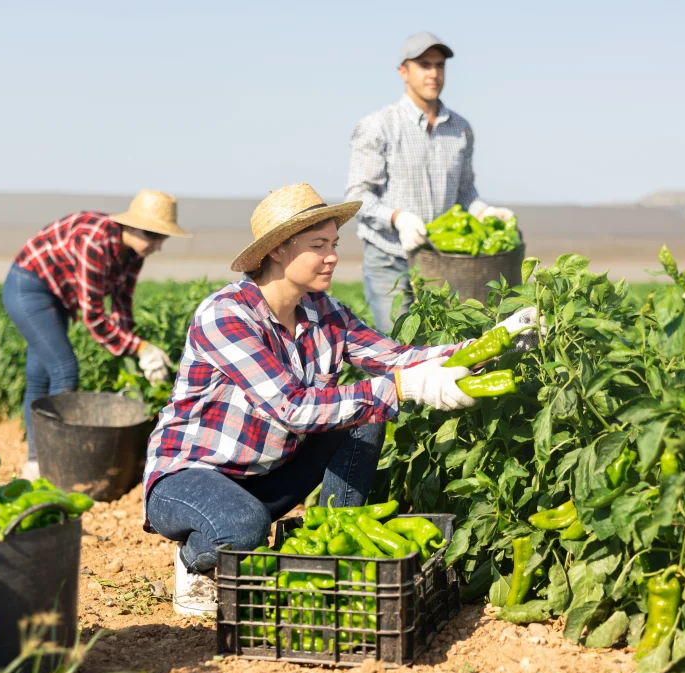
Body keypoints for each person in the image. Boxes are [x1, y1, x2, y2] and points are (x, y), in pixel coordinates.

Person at [141, 183, 541, 617]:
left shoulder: (324, 312)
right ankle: (192, 563)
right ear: (277, 250)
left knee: (364, 417)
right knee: (240, 527)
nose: (332, 256)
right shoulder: (227, 315)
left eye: (334, 244)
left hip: (267, 474)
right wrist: (404, 387)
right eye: (318, 246)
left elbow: (398, 358)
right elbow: (292, 407)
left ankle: (335, 548)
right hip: (189, 476)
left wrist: (496, 341)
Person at [3, 190, 191, 480]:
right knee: (64, 370)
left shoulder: (132, 254)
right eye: (152, 236)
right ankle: (53, 465)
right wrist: (140, 348)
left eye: (162, 238)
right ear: (131, 226)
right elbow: (94, 318)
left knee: (40, 376)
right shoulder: (97, 241)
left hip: (57, 297)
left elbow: (121, 306)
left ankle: (35, 463)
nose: (157, 245)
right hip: (29, 287)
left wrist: (135, 345)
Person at [346, 31, 516, 333]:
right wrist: (398, 218)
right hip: (390, 259)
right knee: (400, 344)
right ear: (403, 71)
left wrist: (483, 212)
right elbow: (357, 198)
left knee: (443, 348)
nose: (434, 73)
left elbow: (465, 192)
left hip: (443, 262)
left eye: (440, 65)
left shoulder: (461, 129)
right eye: (424, 65)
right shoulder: (378, 126)